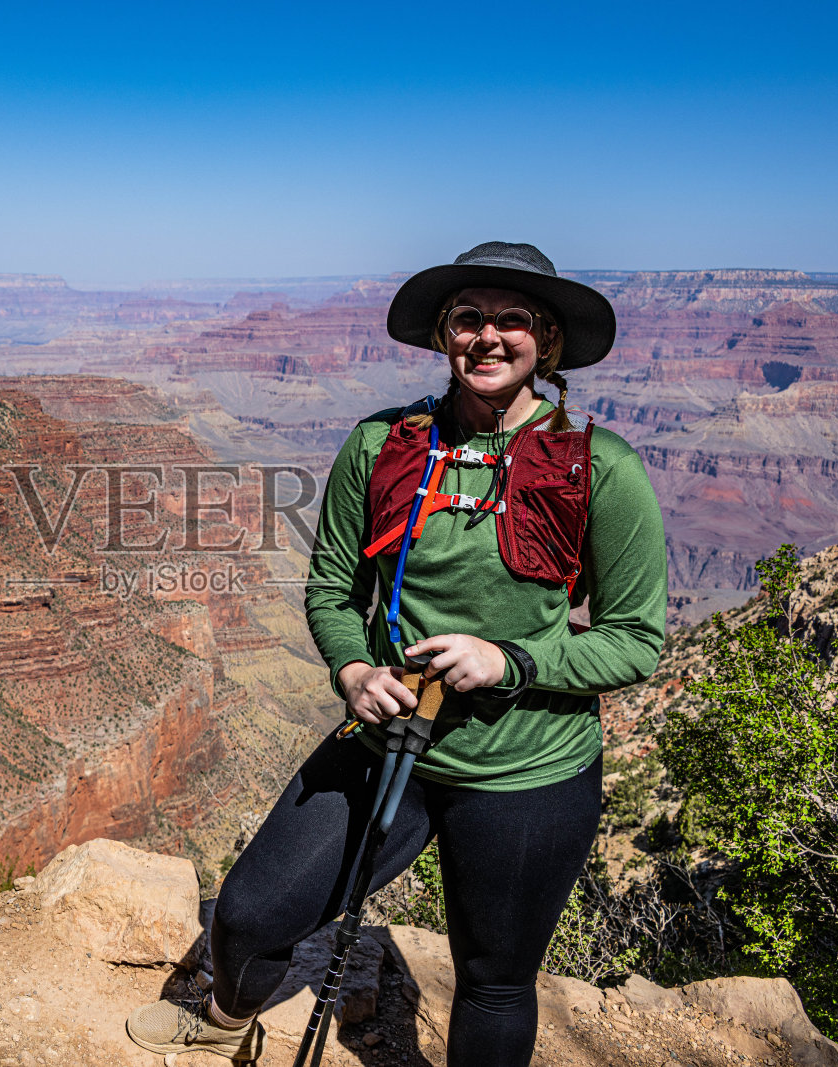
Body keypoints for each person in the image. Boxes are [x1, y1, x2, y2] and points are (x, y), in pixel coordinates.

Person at [125, 241, 667, 1066]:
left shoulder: (602, 467)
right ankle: (225, 1019)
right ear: (444, 335)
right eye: (467, 318)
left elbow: (636, 640)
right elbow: (333, 589)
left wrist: (512, 661)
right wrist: (353, 672)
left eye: (512, 320)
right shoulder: (381, 445)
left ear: (547, 342)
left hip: (528, 774)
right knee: (249, 912)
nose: (487, 336)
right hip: (387, 743)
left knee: (493, 980)